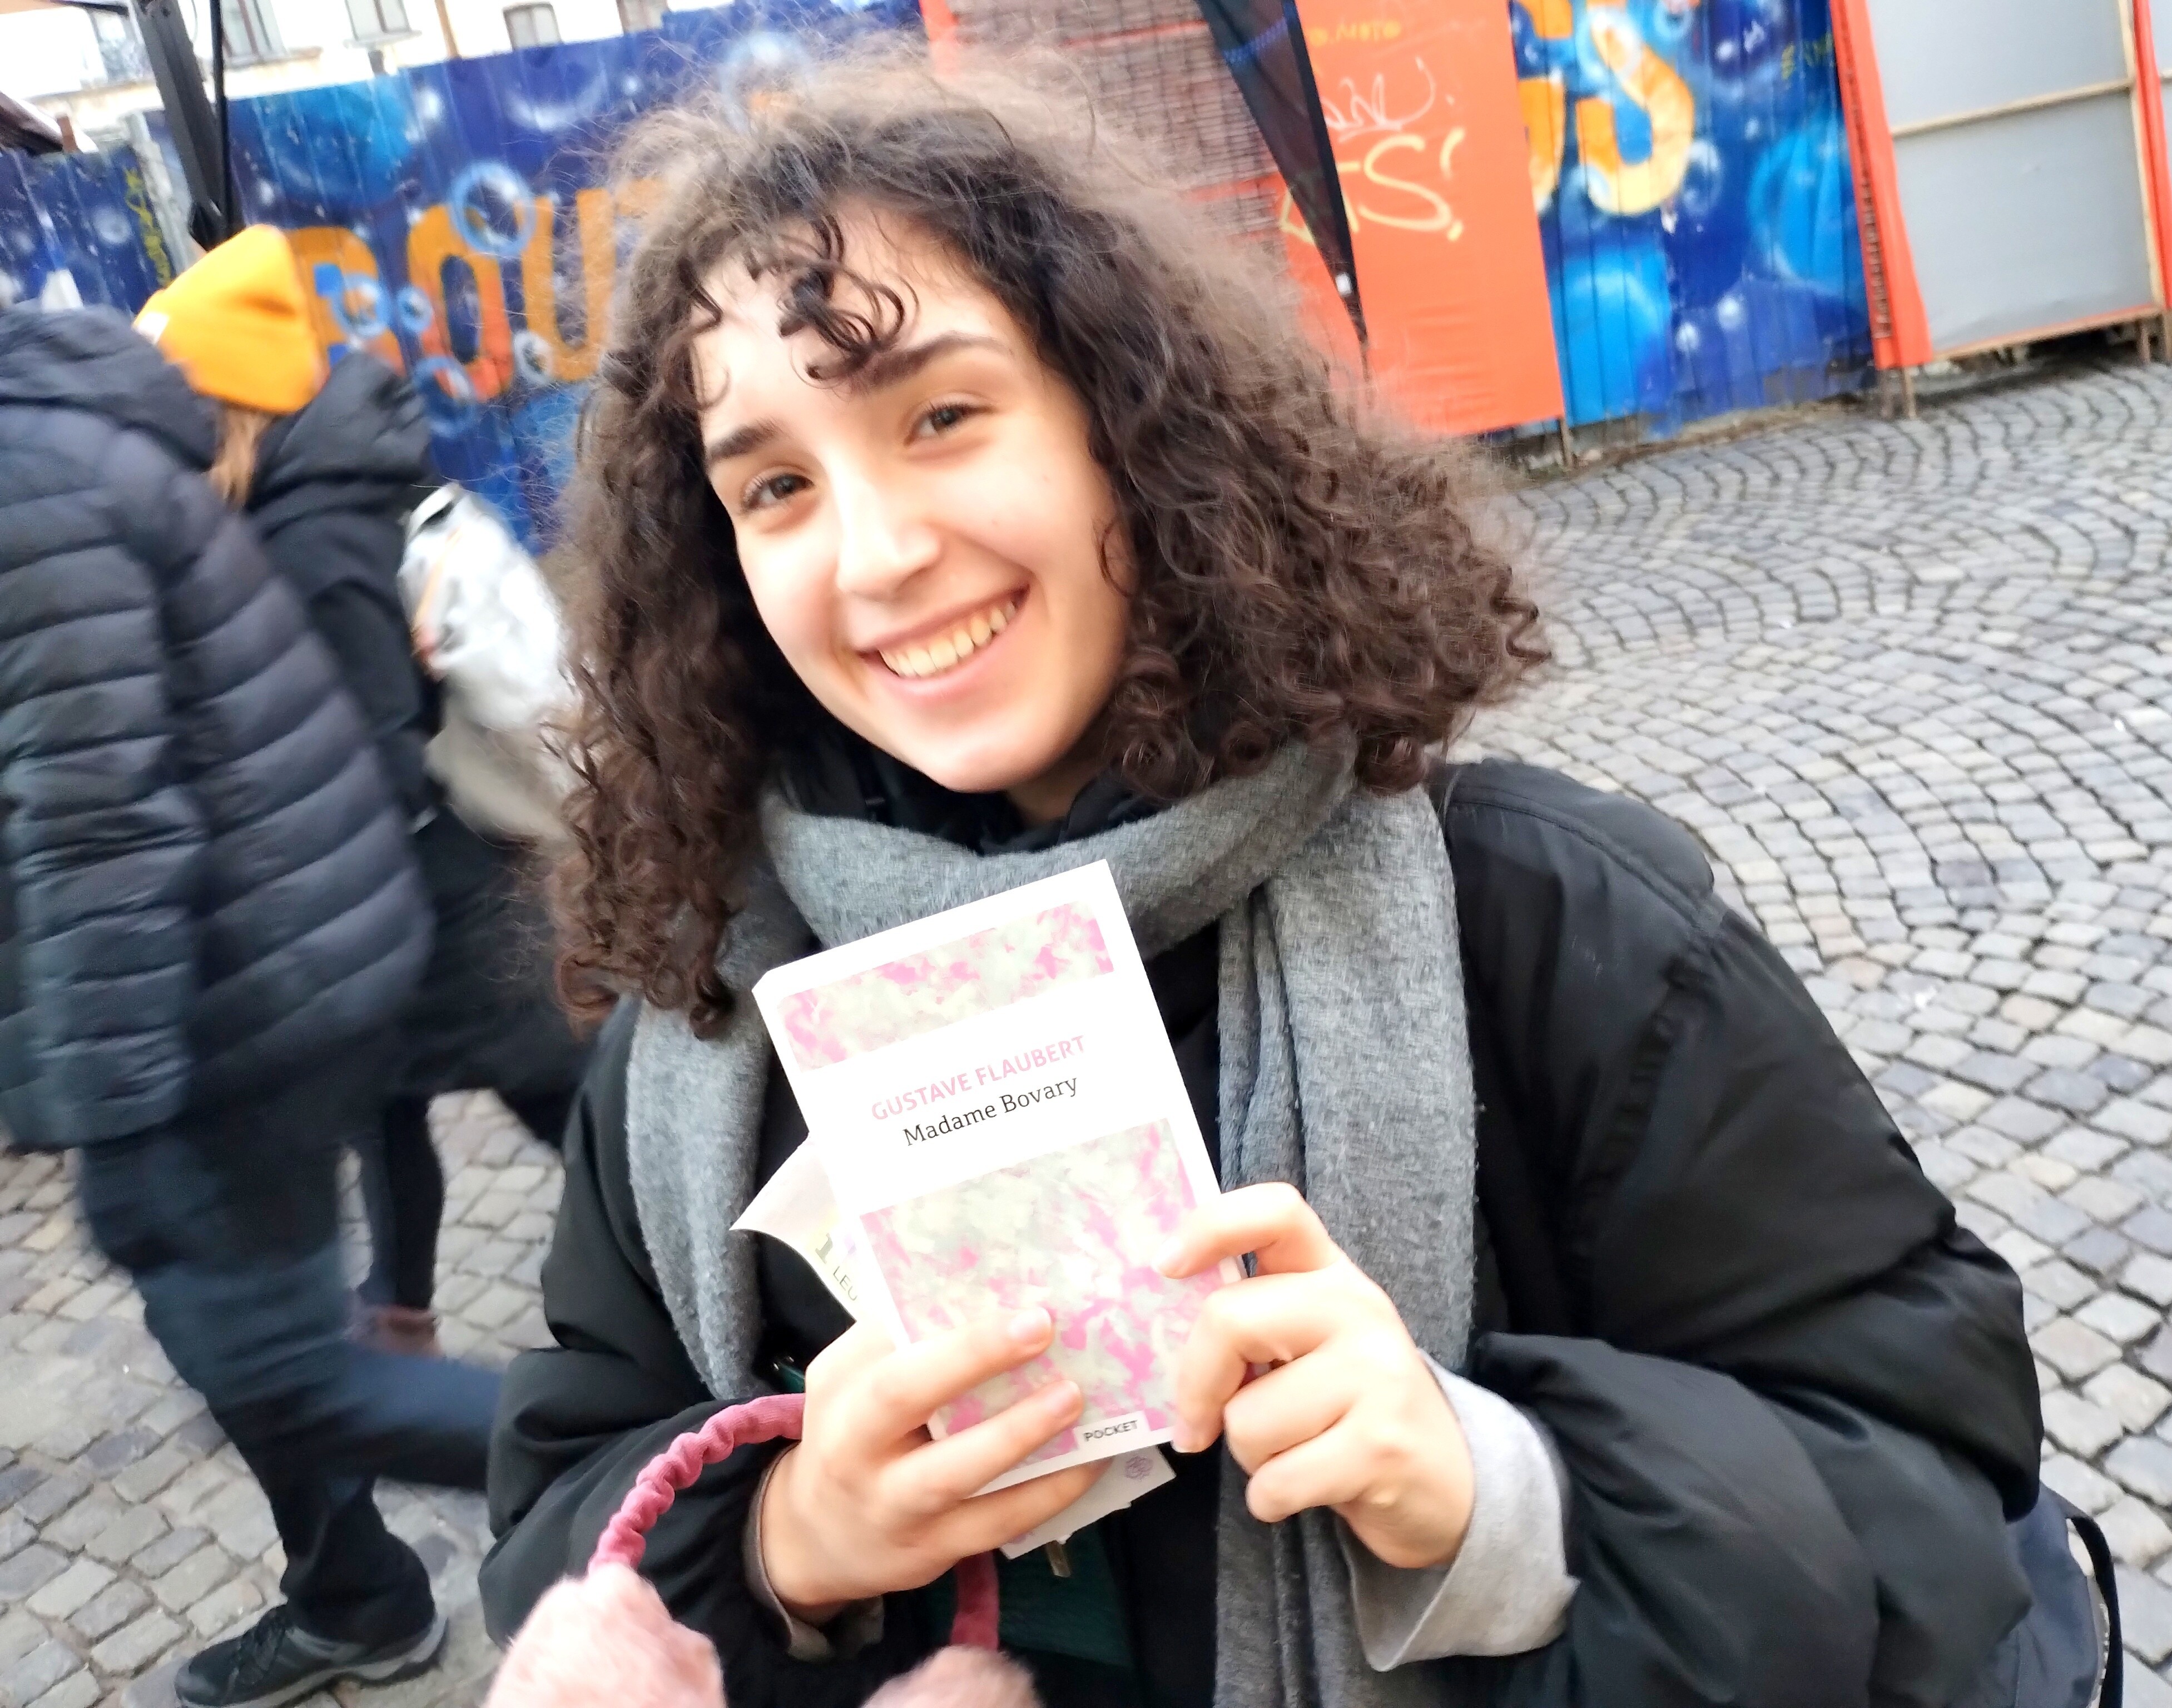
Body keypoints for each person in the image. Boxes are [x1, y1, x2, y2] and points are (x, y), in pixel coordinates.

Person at [480, 57, 2049, 1708]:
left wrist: (1495, 1498)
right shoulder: (713, 1023)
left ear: (1130, 424)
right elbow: (563, 1498)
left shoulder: (1545, 922)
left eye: (941, 415)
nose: (874, 556)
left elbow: (1923, 1476)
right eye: (776, 487)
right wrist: (786, 1537)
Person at [0, 276, 491, 1708]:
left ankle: (708, 1469)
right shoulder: (50, 442)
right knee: (250, 1349)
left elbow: (99, 819)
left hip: (235, 990)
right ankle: (358, 1596)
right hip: (251, 964)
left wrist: (111, 1112)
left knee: (278, 1368)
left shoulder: (26, 476)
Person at [139, 227, 592, 1357]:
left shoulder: (313, 528)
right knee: (385, 1102)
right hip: (379, 889)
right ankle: (398, 1313)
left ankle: (690, 1262)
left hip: (433, 885)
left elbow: (371, 743)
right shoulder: (288, 498)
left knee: (564, 1096)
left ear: (226, 405)